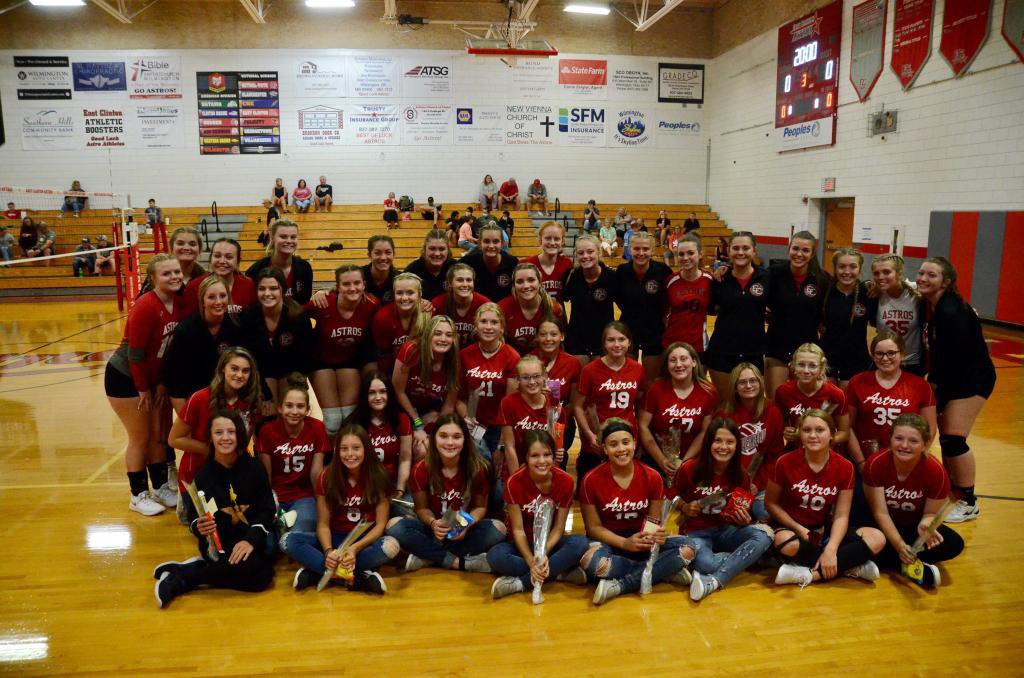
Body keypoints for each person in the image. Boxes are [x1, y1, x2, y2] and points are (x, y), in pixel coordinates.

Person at [153, 411, 275, 608]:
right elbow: (194, 518)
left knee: (262, 573)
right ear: (210, 438)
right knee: (259, 575)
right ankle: (184, 579)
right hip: (222, 541)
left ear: (240, 436)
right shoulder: (203, 476)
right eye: (218, 432)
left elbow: (268, 510)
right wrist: (198, 527)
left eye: (231, 432)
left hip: (250, 536)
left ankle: (187, 575)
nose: (225, 438)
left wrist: (250, 540)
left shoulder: (254, 468)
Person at [917, 256, 996, 523]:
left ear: (946, 281)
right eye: (921, 273)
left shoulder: (952, 312)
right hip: (952, 379)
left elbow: (956, 358)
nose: (923, 279)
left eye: (931, 275)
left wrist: (935, 389)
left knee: (953, 438)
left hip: (971, 380)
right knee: (947, 440)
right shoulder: (933, 305)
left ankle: (969, 501)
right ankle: (955, 493)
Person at [767, 409, 885, 587]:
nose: (813, 435)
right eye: (807, 430)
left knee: (877, 538)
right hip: (793, 529)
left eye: (820, 430)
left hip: (823, 531)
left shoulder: (845, 466)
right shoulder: (784, 462)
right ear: (800, 433)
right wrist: (798, 528)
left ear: (832, 434)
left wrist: (831, 549)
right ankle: (849, 566)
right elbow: (771, 503)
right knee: (785, 542)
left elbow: (841, 515)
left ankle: (809, 574)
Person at [105, 254, 184, 516]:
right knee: (140, 438)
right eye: (166, 273)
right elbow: (135, 355)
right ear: (153, 279)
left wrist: (160, 384)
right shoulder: (146, 306)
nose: (173, 277)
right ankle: (137, 495)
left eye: (176, 272)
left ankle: (161, 486)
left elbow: (165, 352)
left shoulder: (178, 302)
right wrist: (143, 390)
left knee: (158, 435)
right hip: (126, 378)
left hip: (151, 380)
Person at [579, 418, 689, 605]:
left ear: (634, 444)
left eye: (626, 442)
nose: (621, 449)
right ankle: (661, 571)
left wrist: (653, 535)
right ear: (604, 448)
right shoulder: (590, 480)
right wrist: (625, 543)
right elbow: (593, 528)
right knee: (590, 562)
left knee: (689, 548)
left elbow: (653, 521)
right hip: (612, 542)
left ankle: (621, 585)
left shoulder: (652, 476)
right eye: (613, 444)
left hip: (641, 541)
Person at [284, 423, 398, 593]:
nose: (350, 454)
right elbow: (323, 524)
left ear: (366, 449)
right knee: (288, 541)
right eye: (344, 449)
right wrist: (329, 551)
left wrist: (354, 549)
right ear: (337, 451)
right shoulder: (326, 476)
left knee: (391, 546)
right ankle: (356, 578)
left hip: (362, 542)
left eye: (356, 448)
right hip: (335, 538)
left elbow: (381, 525)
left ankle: (319, 573)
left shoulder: (379, 475)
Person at [387, 414, 506, 572]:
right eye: (443, 436)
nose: (450, 443)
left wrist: (467, 524)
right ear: (434, 439)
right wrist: (433, 523)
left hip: (462, 529)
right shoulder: (421, 470)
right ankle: (458, 562)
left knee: (498, 529)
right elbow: (421, 509)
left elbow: (480, 507)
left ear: (465, 440)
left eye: (456, 437)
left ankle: (427, 557)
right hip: (433, 530)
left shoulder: (479, 468)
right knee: (394, 526)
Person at [672, 418, 775, 601]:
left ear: (737, 446)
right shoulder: (689, 468)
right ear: (708, 443)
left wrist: (745, 520)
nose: (723, 447)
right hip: (696, 532)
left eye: (730, 442)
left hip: (727, 530)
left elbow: (743, 509)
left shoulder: (741, 474)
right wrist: (684, 506)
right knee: (706, 564)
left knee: (764, 535)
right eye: (717, 441)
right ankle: (747, 559)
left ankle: (713, 580)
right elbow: (669, 496)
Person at [863, 413, 964, 587]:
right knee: (864, 538)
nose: (904, 446)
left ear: (925, 444)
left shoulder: (936, 472)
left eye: (913, 441)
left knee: (954, 544)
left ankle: (881, 559)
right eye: (899, 438)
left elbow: (930, 513)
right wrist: (900, 545)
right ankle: (901, 562)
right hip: (879, 525)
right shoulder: (876, 464)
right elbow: (880, 513)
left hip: (911, 526)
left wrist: (926, 524)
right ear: (890, 439)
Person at [487, 430, 589, 598]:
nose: (542, 461)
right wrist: (531, 560)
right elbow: (518, 530)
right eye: (535, 456)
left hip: (549, 544)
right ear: (526, 458)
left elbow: (558, 529)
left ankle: (521, 583)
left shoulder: (566, 481)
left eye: (547, 455)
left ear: (553, 456)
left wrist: (541, 555)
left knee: (580, 543)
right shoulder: (514, 482)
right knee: (495, 556)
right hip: (523, 545)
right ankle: (559, 573)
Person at [168, 347, 262, 502]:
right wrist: (209, 450)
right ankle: (185, 503)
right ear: (223, 369)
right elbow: (174, 439)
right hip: (197, 475)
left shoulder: (251, 402)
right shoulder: (200, 398)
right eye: (234, 369)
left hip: (231, 474)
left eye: (245, 371)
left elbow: (244, 442)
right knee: (215, 521)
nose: (239, 375)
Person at [306, 264, 380, 440]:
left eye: (357, 283)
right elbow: (295, 315)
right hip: (321, 361)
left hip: (350, 361)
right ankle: (329, 460)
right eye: (346, 284)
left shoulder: (372, 305)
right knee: (331, 421)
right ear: (338, 286)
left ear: (364, 284)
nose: (352, 288)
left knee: (348, 420)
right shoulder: (323, 302)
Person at [845, 332, 936, 472]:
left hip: (907, 461)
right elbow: (847, 427)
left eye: (891, 353)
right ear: (872, 355)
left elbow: (929, 428)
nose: (885, 358)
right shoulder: (857, 382)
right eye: (879, 353)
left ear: (903, 354)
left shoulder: (920, 386)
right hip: (866, 460)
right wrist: (861, 463)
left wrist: (914, 457)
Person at [256, 374, 329, 535]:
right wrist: (268, 505)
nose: (294, 411)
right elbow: (266, 475)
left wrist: (321, 505)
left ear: (307, 409)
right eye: (289, 406)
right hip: (276, 496)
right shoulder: (267, 432)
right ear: (280, 408)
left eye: (300, 406)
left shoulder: (317, 428)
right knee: (267, 542)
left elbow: (316, 473)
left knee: (301, 530)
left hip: (304, 496)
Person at [573, 322, 646, 482]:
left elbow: (640, 406)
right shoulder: (590, 370)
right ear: (604, 344)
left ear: (629, 343)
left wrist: (638, 437)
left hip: (625, 438)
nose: (617, 344)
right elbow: (577, 407)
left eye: (621, 339)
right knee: (586, 489)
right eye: (611, 340)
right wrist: (590, 436)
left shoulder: (637, 369)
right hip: (597, 441)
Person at [764, 231, 830, 397]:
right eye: (795, 248)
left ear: (812, 254)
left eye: (805, 250)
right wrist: (725, 269)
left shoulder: (821, 279)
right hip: (776, 348)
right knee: (775, 402)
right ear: (789, 249)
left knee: (804, 403)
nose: (799, 254)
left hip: (807, 351)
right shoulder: (773, 273)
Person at [163, 275, 243, 413]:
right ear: (202, 301)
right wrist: (186, 418)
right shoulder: (186, 331)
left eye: (223, 296)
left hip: (227, 401)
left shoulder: (237, 327)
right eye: (211, 297)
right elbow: (175, 380)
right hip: (195, 401)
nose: (218, 302)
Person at [705, 232, 771, 397]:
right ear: (728, 251)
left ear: (754, 250)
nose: (740, 252)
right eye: (736, 248)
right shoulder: (720, 279)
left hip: (754, 351)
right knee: (725, 404)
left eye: (746, 248)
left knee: (751, 404)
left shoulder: (766, 278)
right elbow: (711, 309)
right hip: (722, 351)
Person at [715, 362, 785, 519]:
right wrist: (737, 484)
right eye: (742, 382)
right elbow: (717, 457)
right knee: (726, 516)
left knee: (764, 512)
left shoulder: (773, 412)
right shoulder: (724, 415)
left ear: (760, 383)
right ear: (734, 387)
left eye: (753, 381)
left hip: (761, 484)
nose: (748, 386)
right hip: (730, 484)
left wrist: (757, 484)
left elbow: (775, 456)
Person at [639, 342, 718, 479]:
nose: (678, 365)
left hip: (692, 459)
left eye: (683, 359)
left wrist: (684, 463)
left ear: (694, 362)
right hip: (656, 459)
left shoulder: (708, 391)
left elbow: (705, 431)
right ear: (667, 365)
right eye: (673, 360)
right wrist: (661, 460)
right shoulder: (656, 388)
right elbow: (643, 425)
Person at [239, 268, 314, 408]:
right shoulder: (248, 318)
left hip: (290, 371)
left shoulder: (298, 317)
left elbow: (305, 358)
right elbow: (249, 359)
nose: (267, 294)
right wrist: (265, 393)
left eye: (273, 288)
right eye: (262, 289)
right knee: (268, 409)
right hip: (261, 373)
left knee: (289, 407)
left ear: (283, 290)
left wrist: (296, 385)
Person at [393, 315, 461, 458]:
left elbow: (449, 405)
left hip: (431, 410)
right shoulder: (411, 350)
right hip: (403, 408)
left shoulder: (454, 362)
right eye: (437, 333)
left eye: (449, 335)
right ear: (428, 334)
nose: (443, 339)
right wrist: (417, 422)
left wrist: (438, 432)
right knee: (422, 450)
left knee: (437, 445)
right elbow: (398, 391)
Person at [459, 303, 520, 461]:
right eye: (483, 321)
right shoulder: (464, 355)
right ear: (475, 325)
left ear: (502, 328)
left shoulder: (512, 357)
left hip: (499, 427)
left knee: (497, 478)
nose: (488, 327)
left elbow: (511, 404)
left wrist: (502, 444)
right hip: (473, 424)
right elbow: (459, 397)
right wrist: (467, 418)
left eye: (494, 322)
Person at [343, 372, 413, 503]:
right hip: (363, 483)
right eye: (372, 393)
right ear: (364, 396)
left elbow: (405, 459)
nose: (378, 397)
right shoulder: (353, 422)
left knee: (409, 518)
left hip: (393, 483)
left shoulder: (401, 419)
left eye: (383, 392)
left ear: (390, 394)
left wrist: (400, 490)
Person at [615, 232, 671, 381]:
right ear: (630, 249)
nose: (641, 253)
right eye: (636, 249)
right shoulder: (622, 271)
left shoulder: (663, 271)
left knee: (651, 381)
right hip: (628, 328)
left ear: (652, 250)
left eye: (645, 249)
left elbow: (669, 298)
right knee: (628, 381)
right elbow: (617, 298)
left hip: (655, 330)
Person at [774, 343, 849, 450]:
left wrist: (822, 440)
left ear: (822, 369)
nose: (806, 371)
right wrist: (787, 432)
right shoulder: (783, 391)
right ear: (793, 366)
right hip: (796, 450)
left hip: (826, 451)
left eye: (812, 366)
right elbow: (782, 425)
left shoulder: (834, 394)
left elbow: (844, 433)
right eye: (801, 364)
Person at [498, 355, 558, 477]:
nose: (531, 382)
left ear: (545, 376)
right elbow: (509, 447)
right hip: (516, 467)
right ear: (518, 379)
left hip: (544, 467)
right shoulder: (508, 403)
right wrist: (516, 479)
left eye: (536, 376)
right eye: (525, 377)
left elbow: (554, 444)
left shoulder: (553, 404)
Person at [562, 234, 617, 364]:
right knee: (578, 381)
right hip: (577, 340)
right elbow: (560, 301)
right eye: (581, 253)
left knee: (600, 382)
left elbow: (626, 306)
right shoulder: (571, 276)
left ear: (599, 251)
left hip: (603, 340)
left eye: (590, 251)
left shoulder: (612, 277)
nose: (585, 256)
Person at [819, 248, 871, 386]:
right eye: (841, 266)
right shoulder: (825, 291)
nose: (847, 272)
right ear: (835, 268)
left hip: (856, 359)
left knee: (849, 405)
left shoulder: (868, 292)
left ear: (859, 269)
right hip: (827, 357)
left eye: (853, 267)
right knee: (828, 405)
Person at [532, 317, 581, 461]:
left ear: (562, 336)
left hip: (561, 425)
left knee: (559, 462)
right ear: (537, 337)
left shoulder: (572, 363)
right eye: (543, 334)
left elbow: (574, 403)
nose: (548, 339)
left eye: (553, 334)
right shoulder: (527, 360)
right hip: (532, 422)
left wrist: (557, 421)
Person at [871, 253, 924, 375]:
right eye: (876, 273)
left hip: (911, 362)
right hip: (884, 361)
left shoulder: (916, 292)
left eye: (886, 272)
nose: (880, 277)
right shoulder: (875, 295)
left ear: (899, 273)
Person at [372, 272, 431, 378]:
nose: (404, 298)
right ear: (393, 294)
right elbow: (383, 357)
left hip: (422, 369)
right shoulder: (383, 317)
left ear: (420, 293)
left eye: (410, 293)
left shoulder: (429, 313)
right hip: (393, 369)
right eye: (399, 293)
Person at [498, 263, 563, 355]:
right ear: (514, 286)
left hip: (544, 361)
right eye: (520, 282)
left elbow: (560, 345)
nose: (526, 286)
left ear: (540, 282)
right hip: (512, 362)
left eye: (531, 280)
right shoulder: (502, 308)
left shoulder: (554, 308)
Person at [663, 234, 713, 353]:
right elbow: (663, 315)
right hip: (672, 345)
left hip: (699, 346)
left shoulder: (709, 280)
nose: (685, 258)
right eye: (681, 254)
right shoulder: (670, 281)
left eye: (690, 253)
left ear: (700, 254)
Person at [244, 219, 313, 304]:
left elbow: (305, 304)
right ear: (272, 238)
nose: (289, 241)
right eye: (283, 237)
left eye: (293, 237)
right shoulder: (255, 270)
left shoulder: (305, 268)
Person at [183, 238, 255, 319]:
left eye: (229, 257)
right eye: (217, 256)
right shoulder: (195, 286)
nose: (222, 261)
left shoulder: (248, 284)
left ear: (238, 261)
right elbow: (188, 323)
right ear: (211, 258)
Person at [432, 264, 488, 348]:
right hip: (445, 354)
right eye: (460, 280)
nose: (465, 284)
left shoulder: (484, 305)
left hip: (474, 354)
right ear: (450, 283)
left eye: (469, 280)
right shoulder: (437, 304)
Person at [461, 223, 518, 302]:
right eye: (486, 241)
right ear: (479, 244)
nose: (491, 246)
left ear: (502, 244)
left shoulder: (512, 263)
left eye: (495, 241)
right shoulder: (467, 263)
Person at [140, 227, 205, 294]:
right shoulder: (157, 275)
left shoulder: (206, 279)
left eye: (192, 244)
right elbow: (141, 303)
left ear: (199, 249)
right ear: (172, 248)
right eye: (180, 243)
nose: (186, 248)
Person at [405, 229, 454, 300]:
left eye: (442, 249)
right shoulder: (412, 271)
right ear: (424, 249)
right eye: (432, 248)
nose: (437, 253)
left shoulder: (455, 269)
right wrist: (418, 302)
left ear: (448, 250)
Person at [361, 235, 398, 304]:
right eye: (377, 253)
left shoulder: (399, 279)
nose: (383, 258)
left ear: (394, 254)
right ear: (369, 255)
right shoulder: (358, 276)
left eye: (388, 252)